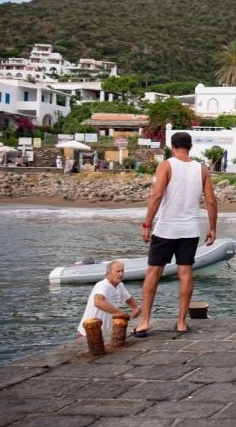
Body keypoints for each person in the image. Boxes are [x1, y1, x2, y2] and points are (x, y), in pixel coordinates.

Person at [133, 131, 217, 336]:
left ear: (172, 146)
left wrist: (147, 224)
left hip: (166, 228)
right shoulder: (202, 169)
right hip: (189, 230)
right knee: (185, 273)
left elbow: (157, 195)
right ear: (191, 146)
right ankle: (180, 322)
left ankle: (144, 321)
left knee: (153, 271)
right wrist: (213, 228)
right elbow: (211, 201)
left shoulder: (166, 165)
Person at [77, 260, 140, 338]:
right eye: (118, 271)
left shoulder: (120, 285)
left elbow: (129, 299)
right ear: (108, 273)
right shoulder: (102, 285)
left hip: (105, 332)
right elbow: (98, 302)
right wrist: (120, 314)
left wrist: (137, 307)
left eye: (122, 271)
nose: (121, 274)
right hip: (89, 332)